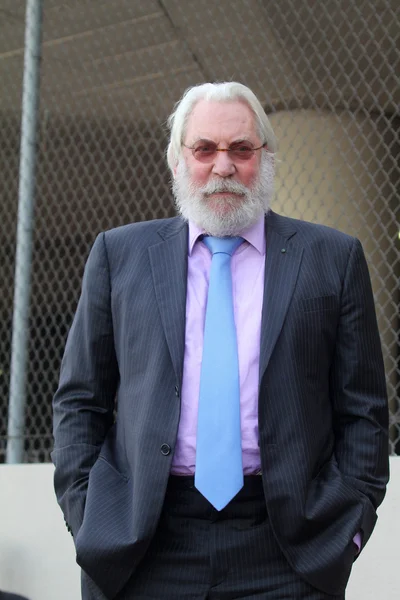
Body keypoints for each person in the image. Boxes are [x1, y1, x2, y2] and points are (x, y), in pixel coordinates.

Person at [52, 82, 389, 600]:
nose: (223, 166)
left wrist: (349, 528)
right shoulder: (119, 256)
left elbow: (363, 410)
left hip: (289, 546)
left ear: (266, 158)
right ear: (178, 161)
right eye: (205, 149)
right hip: (144, 542)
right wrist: (86, 514)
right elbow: (80, 399)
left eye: (241, 149)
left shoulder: (332, 258)